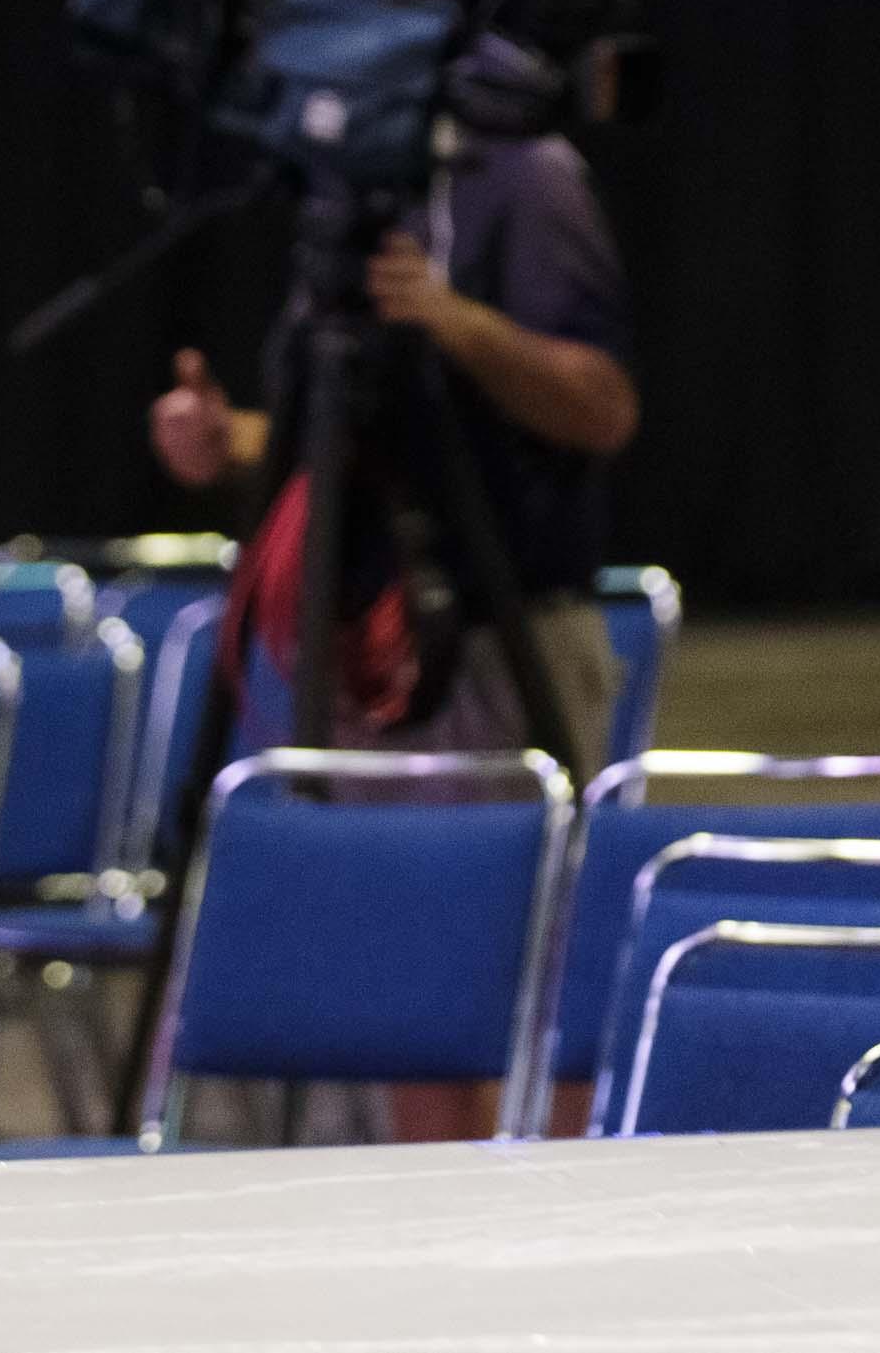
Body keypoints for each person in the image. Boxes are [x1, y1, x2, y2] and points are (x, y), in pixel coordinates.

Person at [149, 123, 638, 1138]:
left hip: (504, 638)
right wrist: (227, 438)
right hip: (372, 653)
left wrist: (450, 318)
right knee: (407, 991)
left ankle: (568, 1242)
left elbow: (603, 406)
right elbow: (358, 432)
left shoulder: (526, 176)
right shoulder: (353, 193)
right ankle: (432, 1241)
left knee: (539, 986)